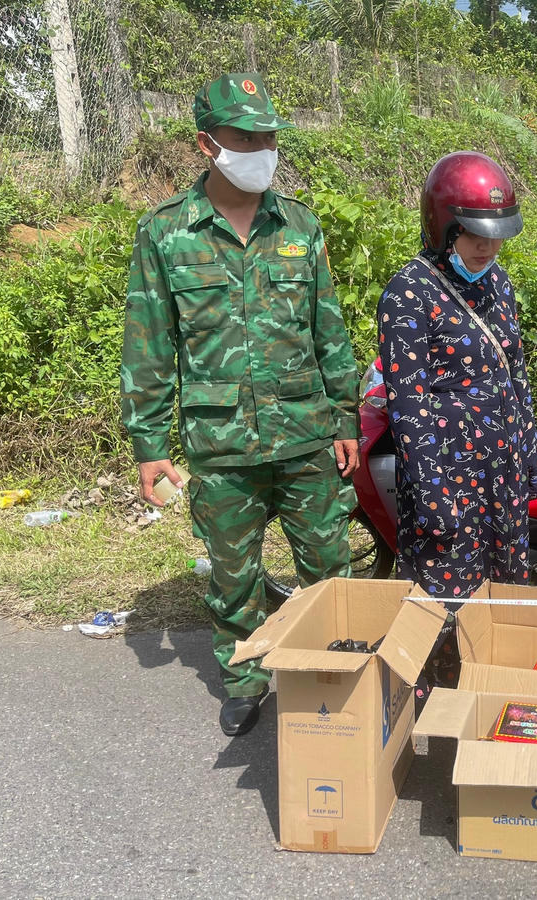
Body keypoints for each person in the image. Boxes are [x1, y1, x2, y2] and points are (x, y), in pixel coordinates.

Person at [120, 74, 360, 737]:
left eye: (269, 137)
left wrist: (345, 417)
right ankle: (247, 680)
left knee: (327, 569)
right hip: (220, 443)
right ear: (206, 143)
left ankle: (332, 676)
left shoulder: (301, 227)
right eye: (245, 137)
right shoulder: (165, 234)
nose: (262, 148)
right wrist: (149, 445)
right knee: (234, 579)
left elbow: (328, 332)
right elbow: (148, 343)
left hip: (306, 434)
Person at [377, 151, 537, 602]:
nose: (487, 248)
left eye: (496, 237)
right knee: (445, 597)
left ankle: (488, 675)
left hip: (500, 468)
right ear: (444, 227)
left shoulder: (498, 283)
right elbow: (408, 405)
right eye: (474, 236)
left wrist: (527, 449)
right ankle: (436, 674)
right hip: (448, 472)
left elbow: (516, 373)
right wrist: (431, 491)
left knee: (502, 594)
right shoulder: (409, 292)